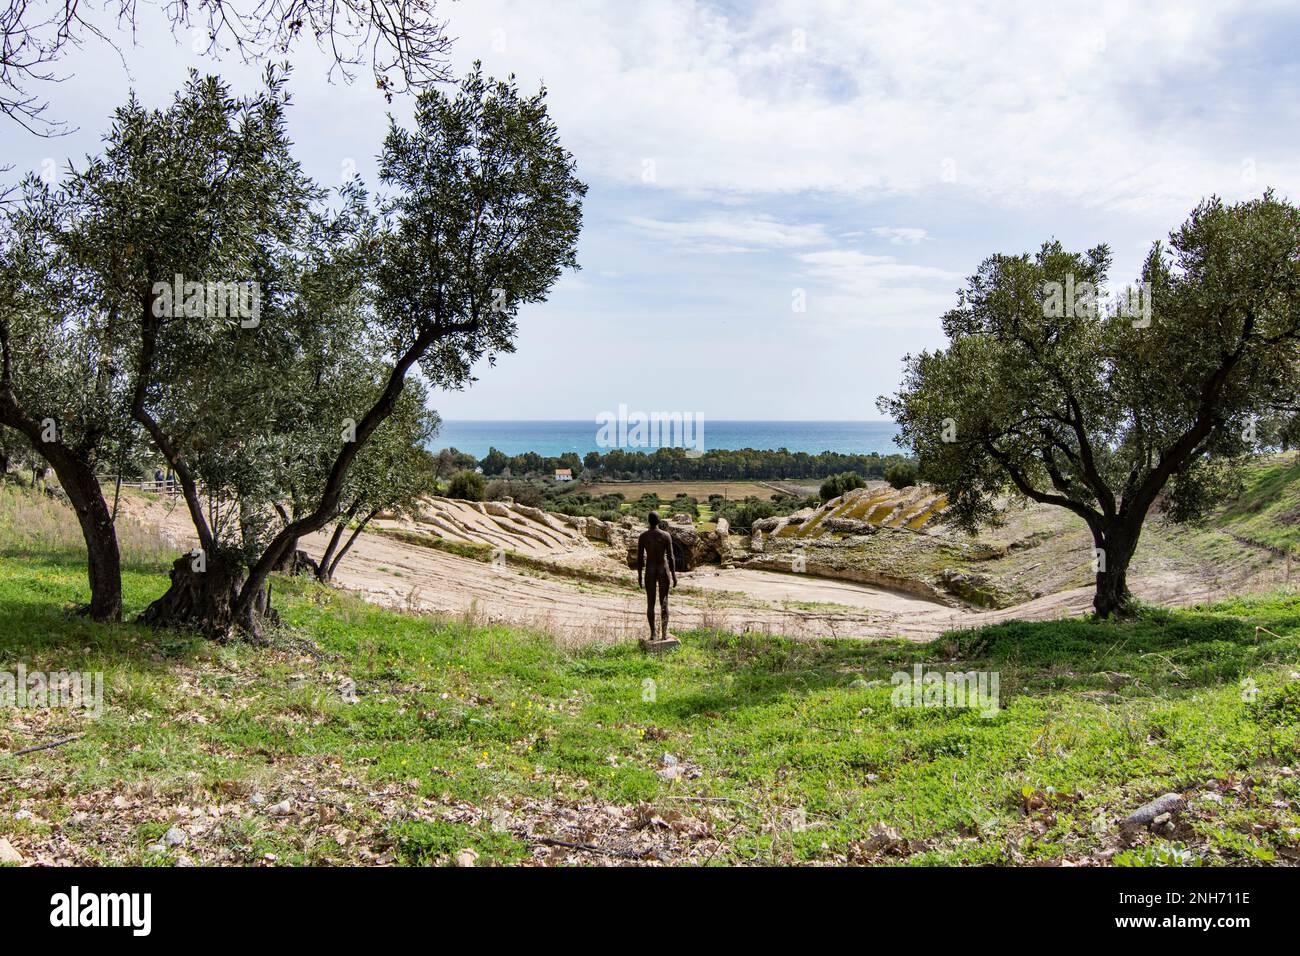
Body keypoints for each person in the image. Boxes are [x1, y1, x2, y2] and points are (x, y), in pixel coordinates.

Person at [636, 512, 677, 642]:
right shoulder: (666, 536)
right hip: (663, 569)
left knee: (650, 603)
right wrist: (674, 575)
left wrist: (639, 575)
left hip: (650, 569)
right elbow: (671, 557)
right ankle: (664, 634)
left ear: (648, 521)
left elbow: (639, 558)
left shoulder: (643, 536)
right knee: (664, 602)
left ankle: (653, 634)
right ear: (659, 520)